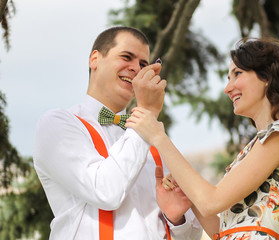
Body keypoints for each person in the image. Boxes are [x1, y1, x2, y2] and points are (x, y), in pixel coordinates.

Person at [126, 38, 279, 240]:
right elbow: (225, 232)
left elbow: (211, 202)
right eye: (228, 78)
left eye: (237, 74)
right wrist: (188, 196)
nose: (228, 88)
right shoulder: (260, 143)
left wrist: (158, 136)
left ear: (267, 77)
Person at [33, 26, 202, 240]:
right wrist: (146, 113)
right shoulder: (57, 124)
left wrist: (176, 219)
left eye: (143, 64)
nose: (135, 68)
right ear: (95, 59)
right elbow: (105, 191)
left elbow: (192, 235)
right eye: (126, 57)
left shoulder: (155, 139)